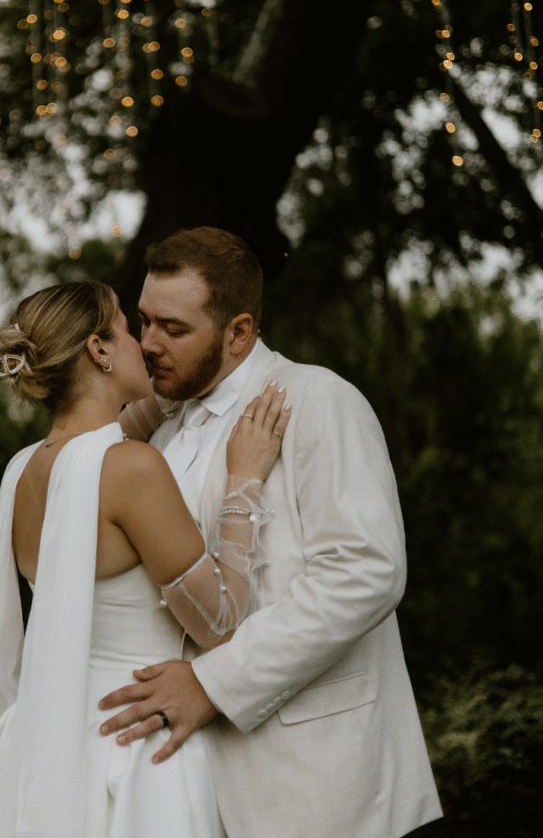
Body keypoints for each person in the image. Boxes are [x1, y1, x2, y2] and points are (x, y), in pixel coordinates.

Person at [98, 227, 443, 838]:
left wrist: (212, 682)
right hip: (189, 784)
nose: (149, 344)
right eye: (144, 321)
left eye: (174, 329)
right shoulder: (160, 424)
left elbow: (365, 573)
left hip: (318, 782)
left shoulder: (318, 400)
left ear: (240, 331)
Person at [0, 280, 292, 838]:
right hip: (128, 752)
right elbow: (221, 624)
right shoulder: (130, 469)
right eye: (128, 329)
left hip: (35, 750)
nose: (146, 345)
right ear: (99, 351)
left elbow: (95, 441)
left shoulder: (25, 471)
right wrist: (244, 481)